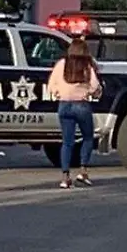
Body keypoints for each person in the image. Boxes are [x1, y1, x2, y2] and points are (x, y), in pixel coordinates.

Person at [48, 37, 103, 188]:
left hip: (64, 105)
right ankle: (83, 171)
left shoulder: (61, 64)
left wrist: (59, 92)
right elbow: (94, 86)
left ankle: (65, 177)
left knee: (67, 142)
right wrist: (91, 92)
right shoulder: (86, 65)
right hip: (81, 105)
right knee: (88, 137)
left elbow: (51, 86)